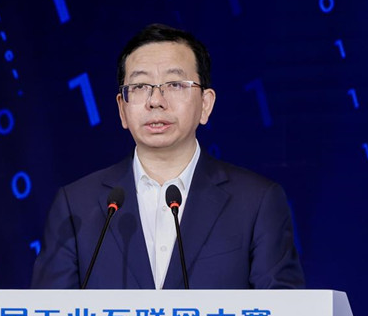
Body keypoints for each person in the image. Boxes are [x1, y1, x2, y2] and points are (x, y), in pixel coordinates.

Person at [31, 24, 304, 289]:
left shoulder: (256, 203)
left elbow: (285, 314)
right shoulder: (76, 206)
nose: (155, 101)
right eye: (140, 86)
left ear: (205, 104)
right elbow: (47, 314)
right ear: (122, 109)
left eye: (174, 84)